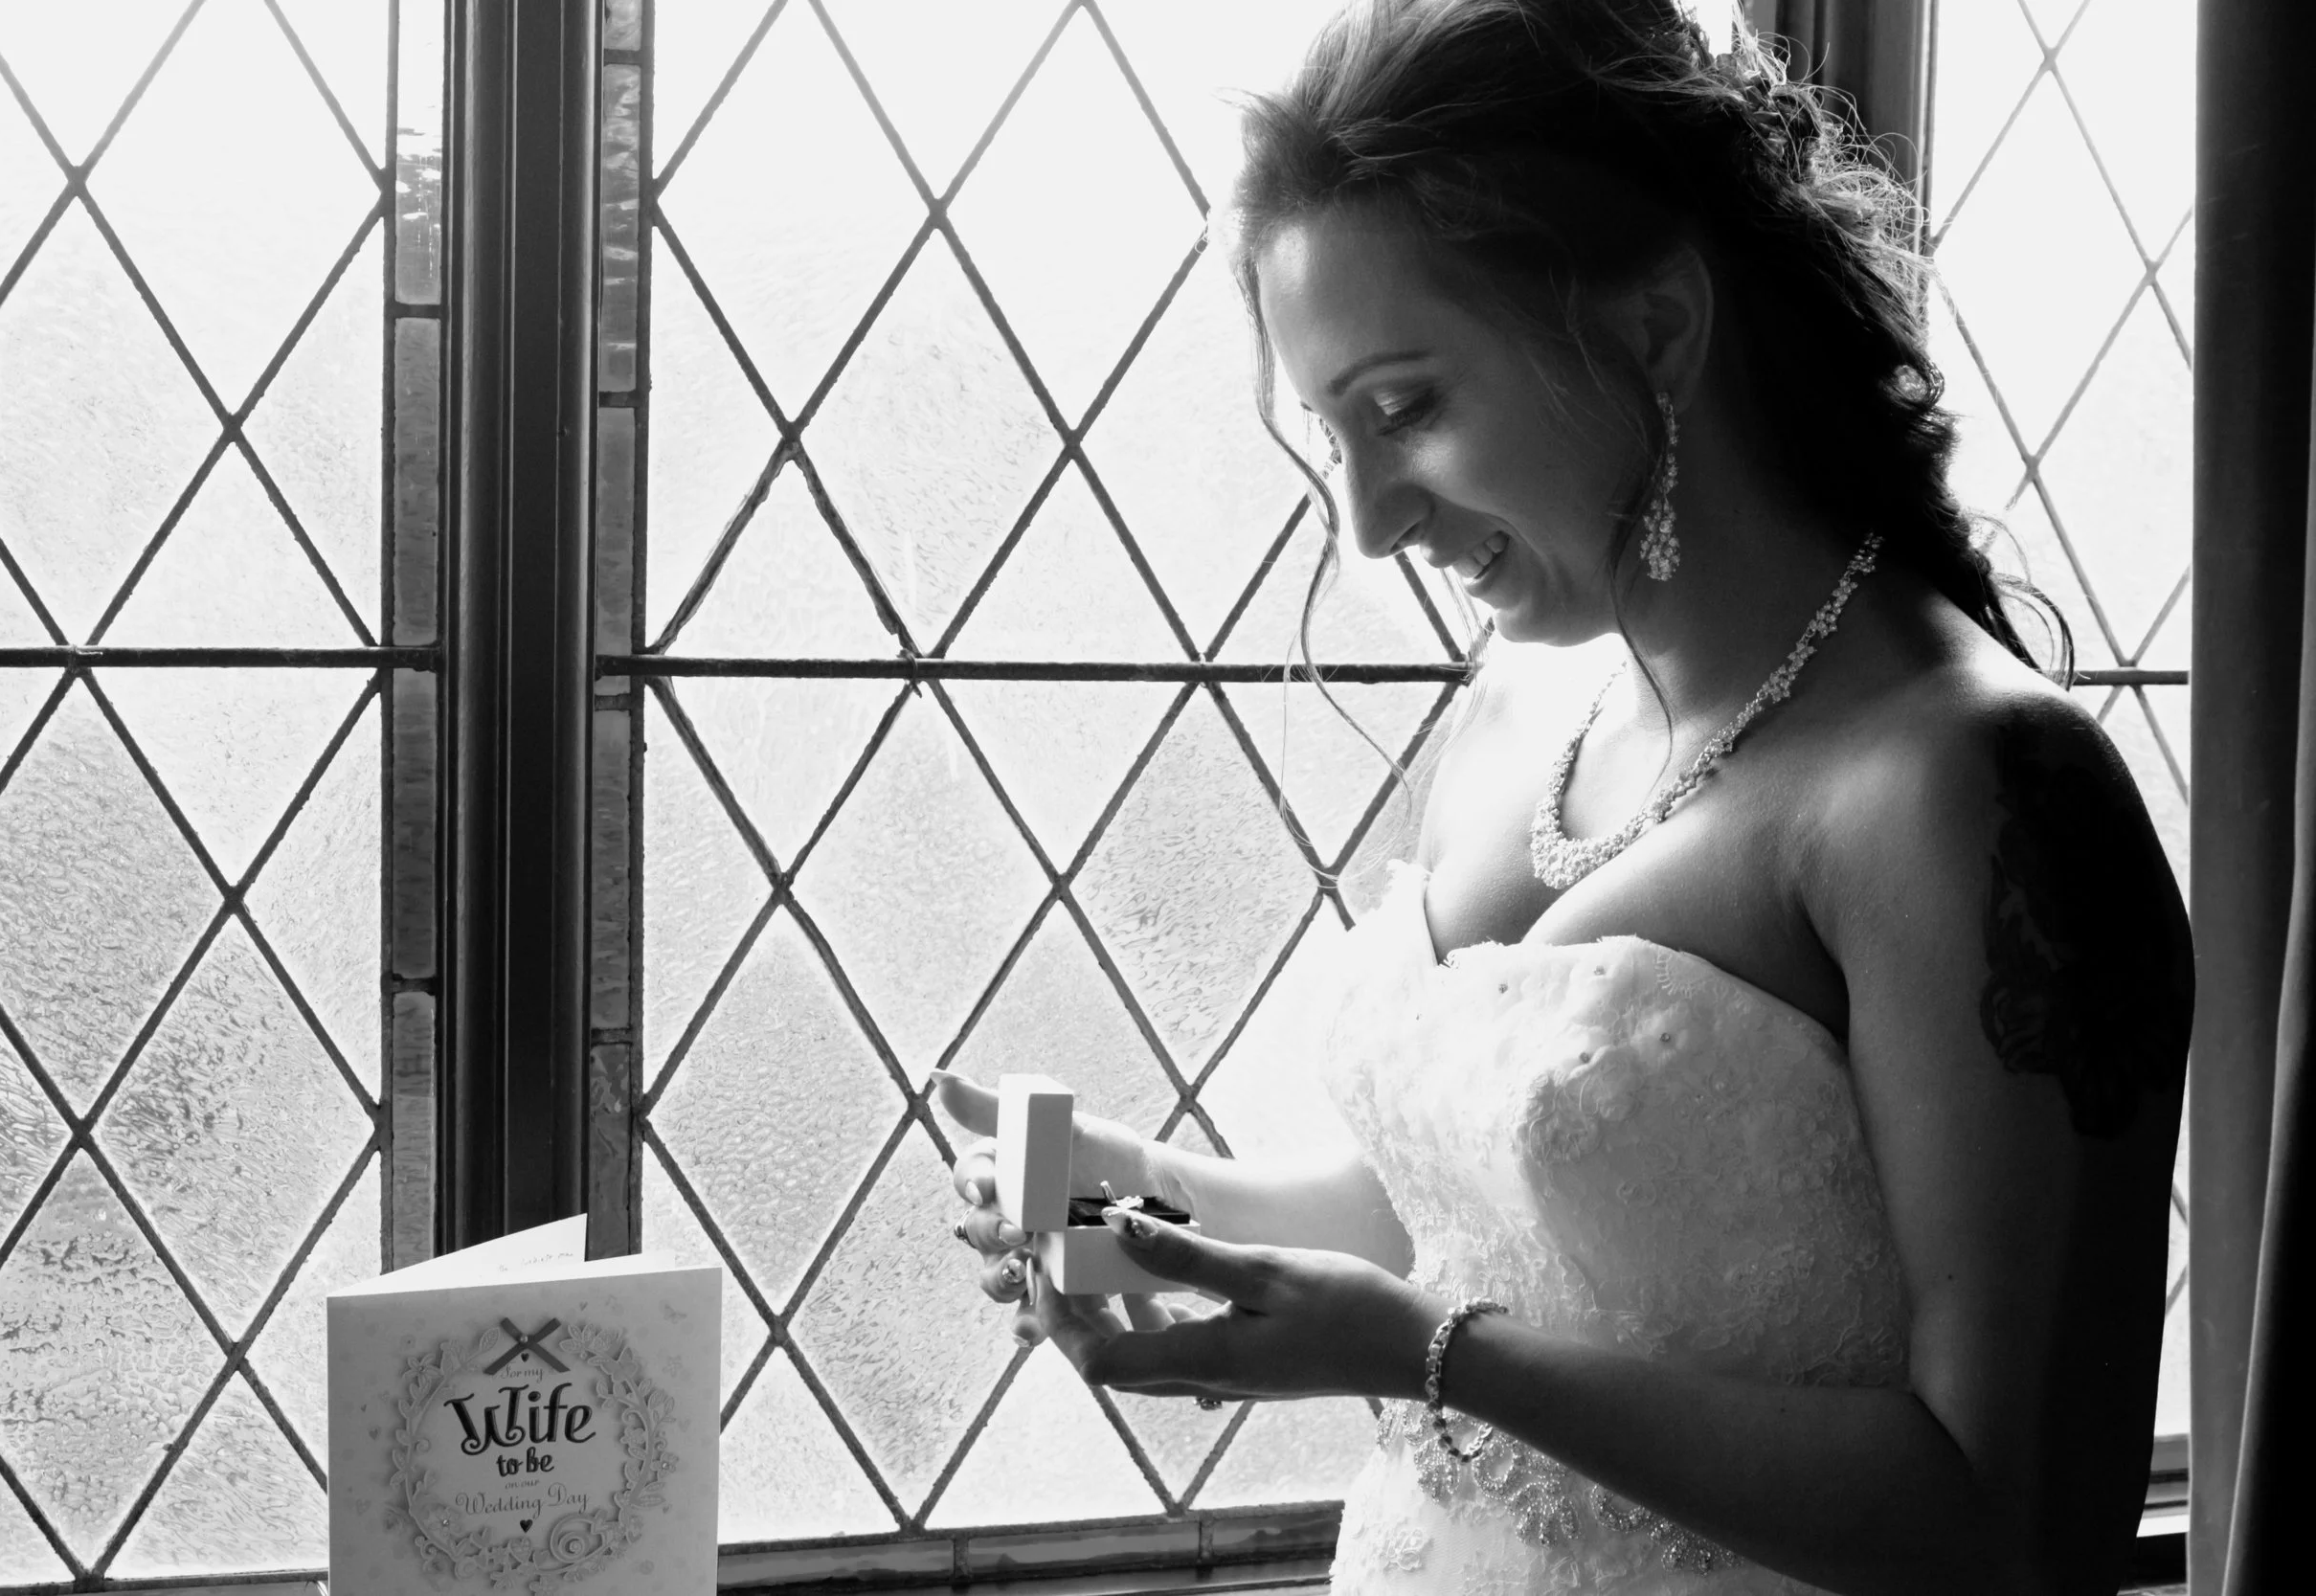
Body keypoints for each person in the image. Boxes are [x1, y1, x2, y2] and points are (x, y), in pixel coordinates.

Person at [937, 1, 2192, 1590]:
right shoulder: (1526, 702)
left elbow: (2014, 1523)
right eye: (1330, 435)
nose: (1371, 525)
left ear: (1659, 326)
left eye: (1405, 410)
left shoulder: (1965, 790)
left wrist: (1439, 1358)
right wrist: (1144, 1200)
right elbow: (1467, 1213)